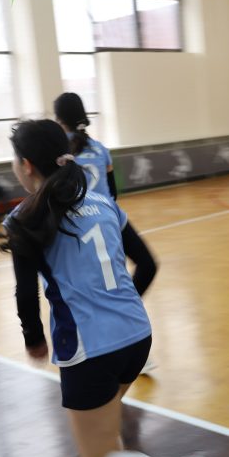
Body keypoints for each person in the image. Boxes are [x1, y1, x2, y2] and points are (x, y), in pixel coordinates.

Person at [0, 120, 225, 457]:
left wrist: (33, 339)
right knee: (102, 430)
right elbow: (149, 264)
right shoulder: (103, 202)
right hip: (137, 337)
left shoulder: (24, 219)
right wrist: (121, 309)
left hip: (90, 350)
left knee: (99, 454)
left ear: (26, 165)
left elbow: (26, 295)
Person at [54, 92, 160, 373]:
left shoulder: (60, 155)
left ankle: (104, 341)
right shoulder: (101, 150)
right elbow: (112, 193)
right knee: (146, 266)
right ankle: (129, 324)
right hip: (109, 220)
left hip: (79, 226)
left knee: (94, 288)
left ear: (59, 120)